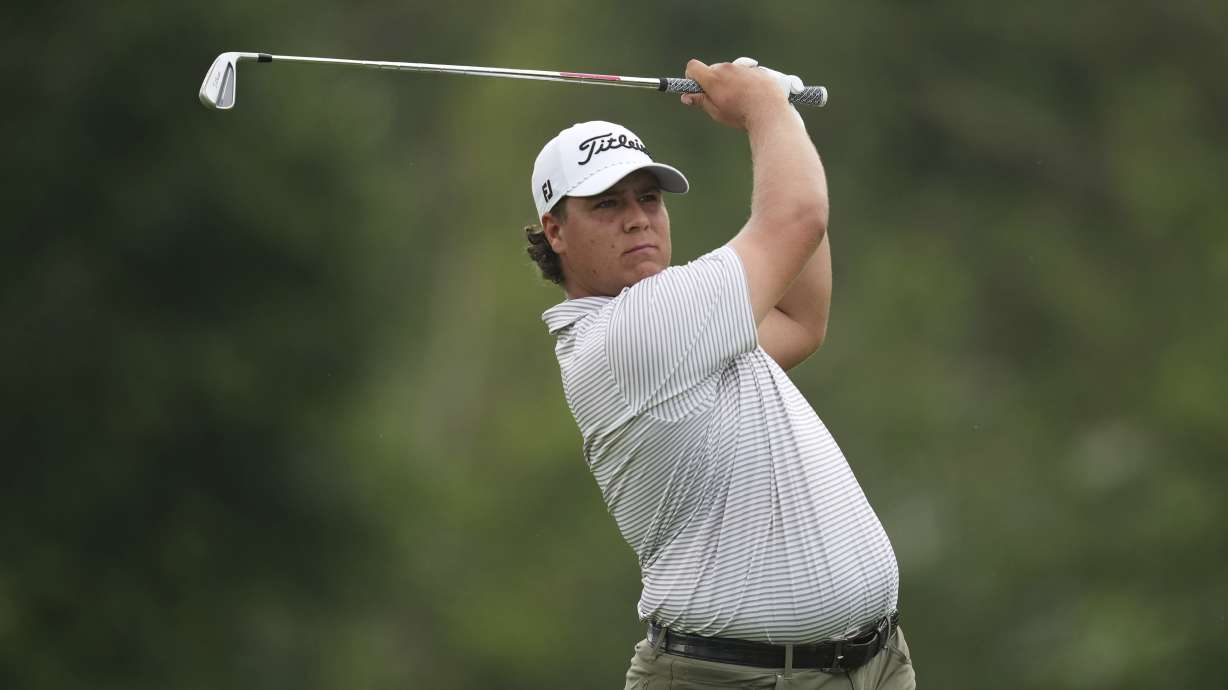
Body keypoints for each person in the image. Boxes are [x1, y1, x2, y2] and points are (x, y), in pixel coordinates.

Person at [524, 57, 915, 689]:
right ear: (555, 232)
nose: (637, 218)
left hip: (869, 667)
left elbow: (798, 317)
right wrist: (765, 109)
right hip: (730, 678)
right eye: (605, 205)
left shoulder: (678, 327)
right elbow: (796, 220)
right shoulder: (635, 332)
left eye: (648, 198)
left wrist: (776, 119)